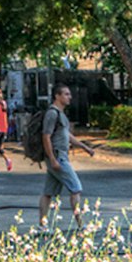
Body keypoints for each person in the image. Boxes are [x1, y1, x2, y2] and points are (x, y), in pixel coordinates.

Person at [40, 84, 95, 231]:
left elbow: (67, 136)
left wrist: (85, 147)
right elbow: (46, 137)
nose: (69, 97)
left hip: (60, 156)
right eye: (66, 94)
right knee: (76, 189)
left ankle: (43, 226)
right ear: (57, 96)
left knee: (48, 193)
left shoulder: (61, 114)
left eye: (69, 94)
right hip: (58, 157)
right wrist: (52, 159)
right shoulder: (52, 114)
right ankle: (81, 225)